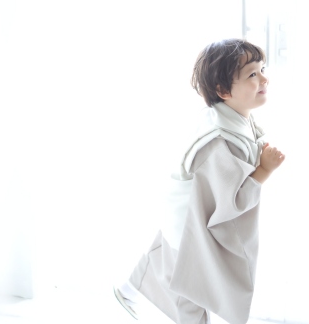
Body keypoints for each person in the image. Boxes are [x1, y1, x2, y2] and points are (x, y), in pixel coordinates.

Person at [113, 39, 285, 324]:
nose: (264, 79)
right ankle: (133, 292)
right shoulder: (220, 143)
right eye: (252, 74)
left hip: (183, 210)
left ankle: (127, 290)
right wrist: (264, 170)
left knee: (167, 257)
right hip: (191, 221)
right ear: (223, 91)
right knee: (191, 286)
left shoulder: (232, 116)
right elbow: (231, 201)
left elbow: (248, 144)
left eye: (262, 69)